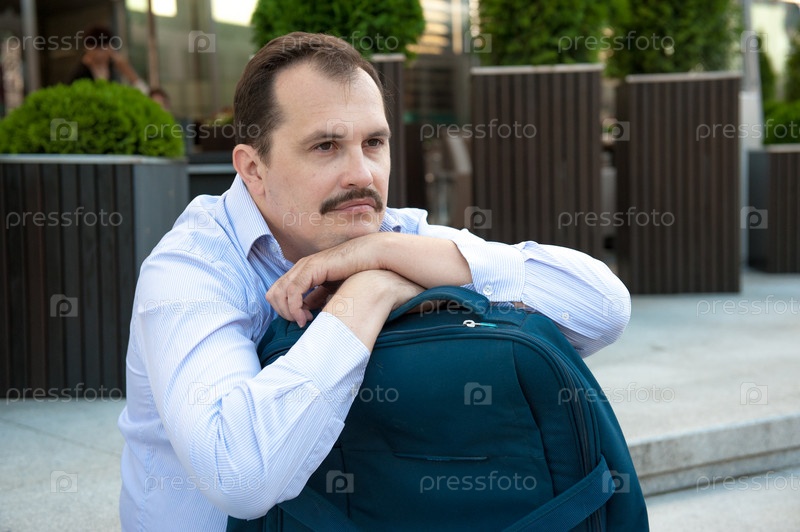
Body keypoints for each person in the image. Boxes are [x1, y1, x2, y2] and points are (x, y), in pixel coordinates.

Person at [118, 32, 632, 530]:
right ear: (254, 169)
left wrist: (380, 254)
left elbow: (603, 309)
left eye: (374, 142)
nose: (362, 174)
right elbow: (239, 474)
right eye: (326, 145)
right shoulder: (193, 267)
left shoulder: (390, 234)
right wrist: (370, 291)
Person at [70, 26, 148, 94]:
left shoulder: (115, 66)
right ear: (86, 49)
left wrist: (125, 68)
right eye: (96, 49)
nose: (99, 54)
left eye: (103, 48)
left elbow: (144, 91)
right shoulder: (81, 72)